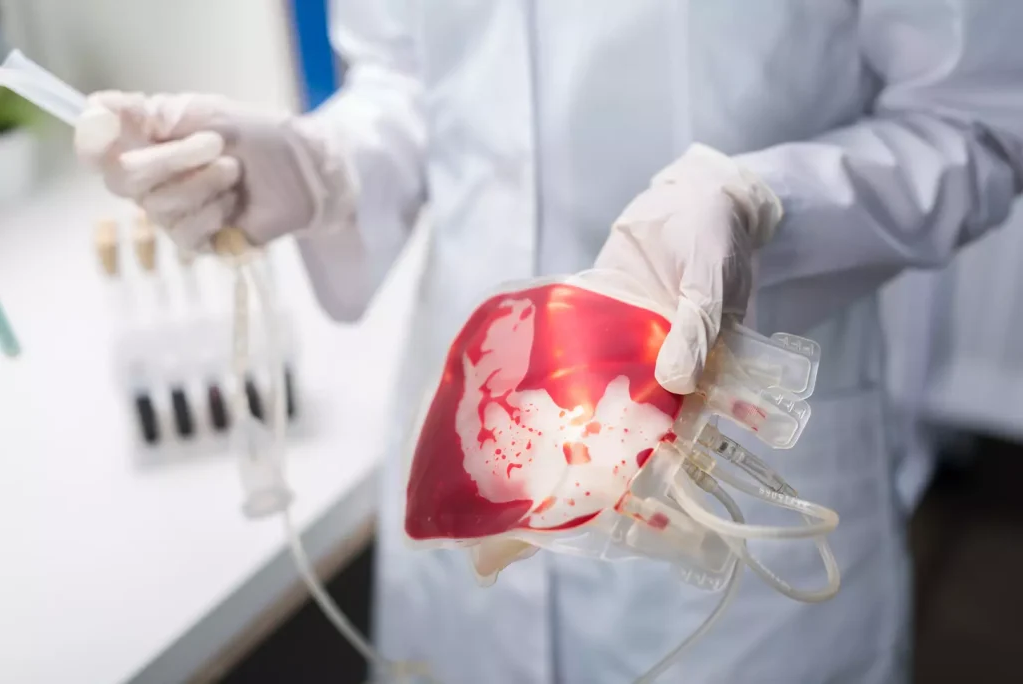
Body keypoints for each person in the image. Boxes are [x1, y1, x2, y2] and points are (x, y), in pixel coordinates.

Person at [74, 1, 1023, 682]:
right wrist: (325, 165)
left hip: (728, 488)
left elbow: (976, 122)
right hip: (474, 455)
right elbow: (411, 75)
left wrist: (769, 201)